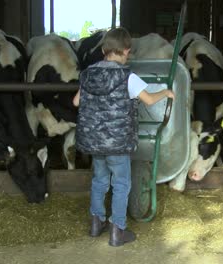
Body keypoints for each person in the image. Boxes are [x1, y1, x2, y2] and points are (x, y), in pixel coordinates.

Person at [72, 27, 175, 247]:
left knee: (99, 180)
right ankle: (117, 230)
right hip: (118, 143)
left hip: (94, 142)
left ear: (103, 50)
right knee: (121, 183)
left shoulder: (88, 74)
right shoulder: (128, 77)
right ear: (126, 51)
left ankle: (96, 222)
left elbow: (75, 102)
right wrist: (165, 93)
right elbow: (148, 100)